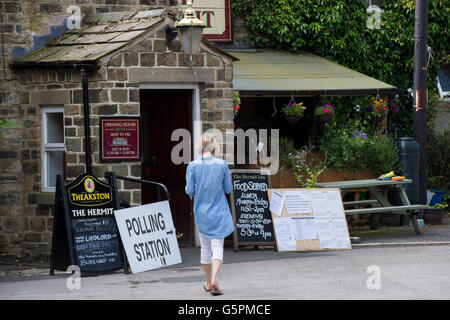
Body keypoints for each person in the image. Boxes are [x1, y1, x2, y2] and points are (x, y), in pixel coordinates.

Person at [185, 134, 234, 296]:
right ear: (214, 147)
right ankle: (215, 279)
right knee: (217, 246)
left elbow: (189, 190)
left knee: (205, 247)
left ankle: (207, 282)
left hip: (201, 212)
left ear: (200, 147)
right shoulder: (222, 165)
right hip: (219, 210)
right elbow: (228, 189)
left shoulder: (192, 166)